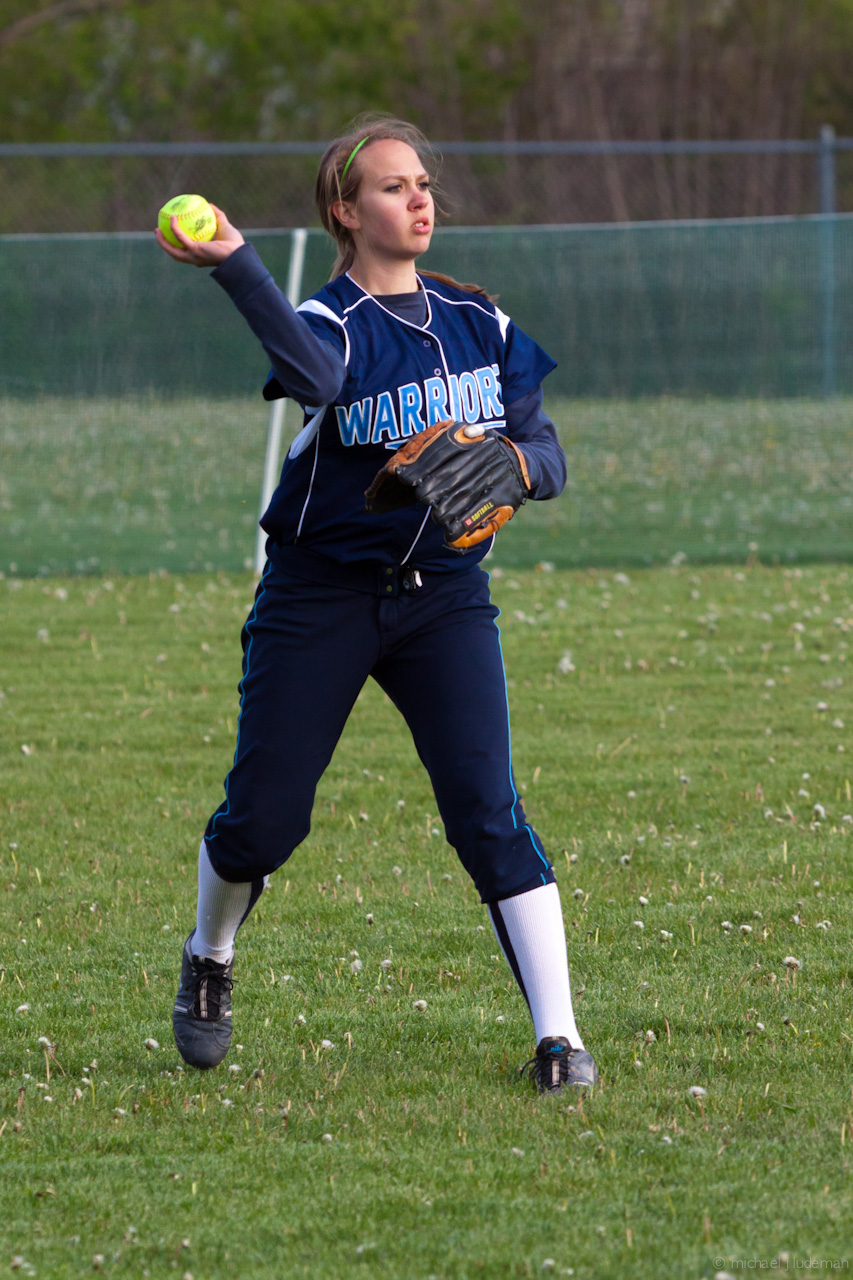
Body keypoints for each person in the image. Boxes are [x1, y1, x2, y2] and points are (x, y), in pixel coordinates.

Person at [154, 114, 597, 1093]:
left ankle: (560, 1041)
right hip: (320, 595)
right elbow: (314, 378)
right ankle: (209, 954)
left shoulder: (480, 319)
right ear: (346, 211)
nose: (419, 198)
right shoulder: (331, 321)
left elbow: (547, 452)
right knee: (264, 823)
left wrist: (515, 466)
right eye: (394, 186)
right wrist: (238, 265)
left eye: (423, 182)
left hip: (444, 598)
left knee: (487, 812)